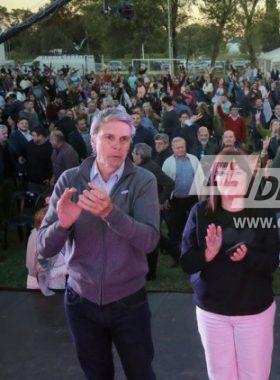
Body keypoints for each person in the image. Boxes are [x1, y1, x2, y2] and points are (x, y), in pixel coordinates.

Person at [36, 108, 161, 379]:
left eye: (124, 139)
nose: (117, 146)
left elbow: (150, 241)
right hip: (81, 302)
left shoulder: (143, 180)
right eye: (109, 137)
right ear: (93, 139)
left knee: (141, 373)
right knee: (96, 374)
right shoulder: (70, 179)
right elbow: (44, 247)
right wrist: (63, 224)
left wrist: (110, 213)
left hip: (130, 303)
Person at [181, 148, 280, 380]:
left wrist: (248, 256)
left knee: (255, 374)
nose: (230, 178)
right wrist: (208, 253)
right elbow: (186, 262)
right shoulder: (200, 212)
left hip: (254, 312)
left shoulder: (262, 212)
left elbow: (272, 262)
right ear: (214, 177)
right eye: (223, 172)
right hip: (212, 312)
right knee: (220, 375)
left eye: (237, 172)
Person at [131, 143, 175, 281]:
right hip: (143, 207)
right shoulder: (143, 167)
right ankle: (177, 253)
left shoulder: (150, 168)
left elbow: (169, 183)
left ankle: (151, 274)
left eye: (134, 153)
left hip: (149, 208)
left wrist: (160, 201)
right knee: (157, 237)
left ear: (140, 155)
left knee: (153, 238)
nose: (132, 156)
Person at [162, 137, 200, 265]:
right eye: (177, 147)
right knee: (175, 228)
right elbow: (164, 183)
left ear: (185, 147)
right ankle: (177, 257)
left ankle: (193, 252)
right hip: (176, 199)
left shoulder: (194, 159)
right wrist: (165, 198)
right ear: (172, 148)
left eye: (182, 147)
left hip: (192, 199)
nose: (180, 149)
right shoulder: (168, 162)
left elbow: (200, 177)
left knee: (192, 226)